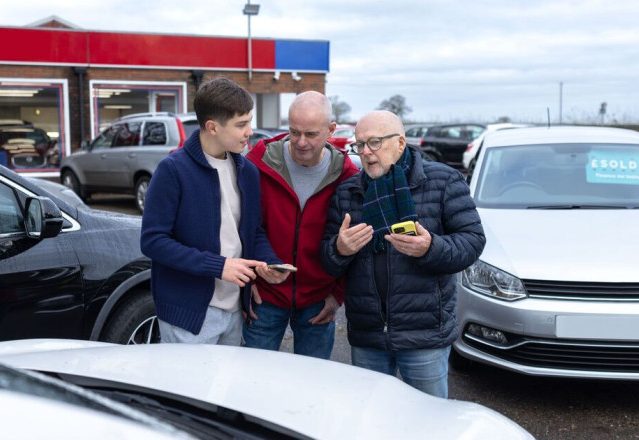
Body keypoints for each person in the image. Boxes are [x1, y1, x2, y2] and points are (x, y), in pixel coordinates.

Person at [320, 110, 485, 397]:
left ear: (400, 142)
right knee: (371, 421)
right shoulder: (349, 191)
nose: (367, 153)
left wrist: (430, 247)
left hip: (424, 336)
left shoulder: (443, 181)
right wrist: (339, 249)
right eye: (360, 145)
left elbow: (472, 242)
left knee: (427, 423)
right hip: (368, 334)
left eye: (375, 142)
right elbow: (328, 258)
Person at [140, 77, 288, 346]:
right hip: (189, 314)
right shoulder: (172, 170)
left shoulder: (248, 171)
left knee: (224, 388)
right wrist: (218, 266)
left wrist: (267, 261)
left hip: (236, 311)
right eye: (241, 124)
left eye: (249, 122)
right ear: (212, 127)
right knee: (186, 388)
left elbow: (252, 231)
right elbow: (153, 242)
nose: (249, 132)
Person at [242, 91, 359, 359]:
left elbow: (351, 245)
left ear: (331, 130)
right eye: (294, 132)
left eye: (311, 134)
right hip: (264, 298)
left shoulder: (348, 177)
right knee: (252, 382)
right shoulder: (258, 165)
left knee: (312, 388)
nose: (301, 142)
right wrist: (248, 283)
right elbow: (242, 227)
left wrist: (336, 296)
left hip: (318, 302)